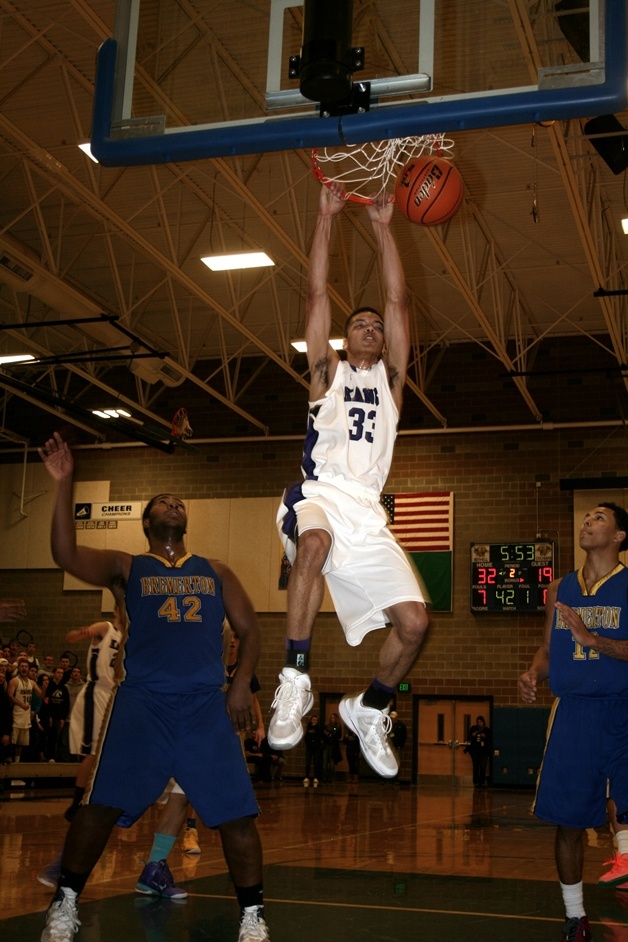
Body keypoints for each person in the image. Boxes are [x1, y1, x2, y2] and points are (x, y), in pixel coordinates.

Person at [38, 431, 270, 942]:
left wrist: (239, 686)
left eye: (178, 501)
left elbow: (252, 632)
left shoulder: (216, 570)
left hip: (205, 705)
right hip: (142, 702)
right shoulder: (127, 567)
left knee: (236, 815)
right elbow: (64, 554)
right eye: (163, 502)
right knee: (99, 807)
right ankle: (66, 901)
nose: (173, 504)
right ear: (149, 522)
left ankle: (252, 916)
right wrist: (64, 483)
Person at [269, 183, 430, 778]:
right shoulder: (324, 376)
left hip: (368, 512)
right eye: (357, 323)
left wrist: (386, 227)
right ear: (341, 339)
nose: (368, 326)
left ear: (384, 342)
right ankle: (294, 679)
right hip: (318, 496)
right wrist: (325, 217)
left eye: (373, 325)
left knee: (415, 625)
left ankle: (368, 707)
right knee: (313, 544)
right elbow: (314, 292)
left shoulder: (391, 383)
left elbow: (400, 301)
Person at [518, 502, 628, 942]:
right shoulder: (560, 587)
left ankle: (623, 857)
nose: (588, 522)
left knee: (624, 794)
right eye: (586, 517)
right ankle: (574, 916)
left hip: (621, 703)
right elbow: (548, 649)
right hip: (571, 711)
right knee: (568, 822)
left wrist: (590, 639)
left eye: (599, 518)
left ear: (620, 536)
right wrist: (532, 672)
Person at [465, 715, 491, 787]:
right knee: (476, 766)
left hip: (483, 751)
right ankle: (475, 782)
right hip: (475, 751)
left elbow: (490, 739)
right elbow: (468, 737)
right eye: (478, 722)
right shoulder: (474, 729)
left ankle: (482, 782)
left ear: (483, 722)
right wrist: (473, 735)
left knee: (483, 766)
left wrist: (484, 736)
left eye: (480, 722)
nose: (479, 723)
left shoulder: (487, 730)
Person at [303, 714, 323, 787]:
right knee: (308, 762)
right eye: (313, 720)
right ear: (311, 720)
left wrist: (316, 743)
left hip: (316, 748)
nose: (314, 721)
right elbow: (306, 737)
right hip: (309, 748)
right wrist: (308, 743)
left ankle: (316, 777)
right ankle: (307, 777)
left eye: (316, 720)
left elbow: (320, 737)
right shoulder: (308, 728)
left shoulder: (319, 728)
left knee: (316, 763)